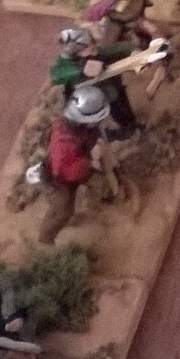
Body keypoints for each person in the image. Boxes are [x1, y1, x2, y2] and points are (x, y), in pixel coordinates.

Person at [38, 84, 113, 245]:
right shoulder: (64, 141)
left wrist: (93, 147)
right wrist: (91, 160)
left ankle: (103, 200)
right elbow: (66, 170)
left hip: (79, 164)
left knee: (100, 184)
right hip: (58, 180)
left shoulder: (82, 127)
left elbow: (90, 136)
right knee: (63, 211)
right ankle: (45, 240)